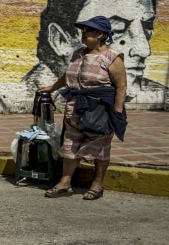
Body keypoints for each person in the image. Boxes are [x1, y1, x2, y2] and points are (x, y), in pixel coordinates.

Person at [21, 0, 164, 106]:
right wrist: (52, 89)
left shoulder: (158, 91)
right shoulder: (26, 93)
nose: (144, 50)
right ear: (60, 40)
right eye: (118, 28)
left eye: (147, 26)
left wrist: (117, 115)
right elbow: (71, 74)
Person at [37, 16, 128, 200]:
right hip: (75, 108)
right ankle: (65, 184)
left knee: (100, 148)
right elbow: (68, 75)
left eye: (88, 31)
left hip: (100, 110)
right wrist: (52, 87)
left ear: (101, 35)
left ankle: (97, 184)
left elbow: (121, 87)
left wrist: (117, 112)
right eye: (83, 30)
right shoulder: (78, 53)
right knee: (70, 145)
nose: (83, 33)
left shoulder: (112, 58)